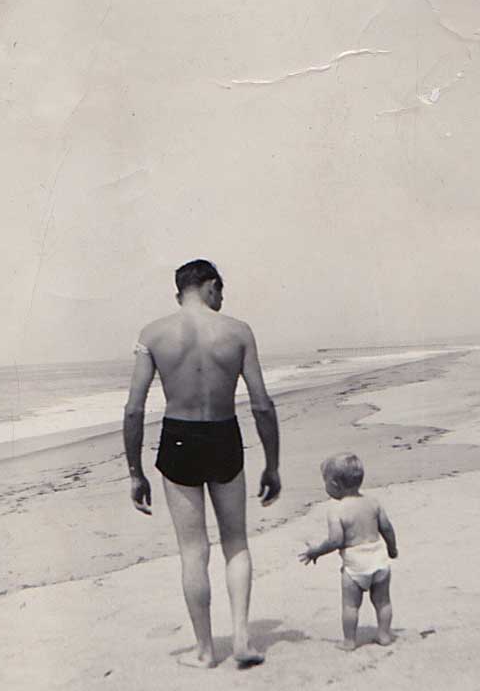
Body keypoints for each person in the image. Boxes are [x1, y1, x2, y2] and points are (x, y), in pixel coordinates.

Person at [123, 259, 281, 668]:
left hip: (178, 439)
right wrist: (272, 464)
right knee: (236, 544)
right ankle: (243, 640)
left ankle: (206, 650)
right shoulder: (239, 332)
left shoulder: (152, 334)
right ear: (210, 286)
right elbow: (262, 404)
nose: (222, 299)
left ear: (180, 293)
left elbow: (134, 411)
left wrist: (135, 472)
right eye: (220, 291)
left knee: (193, 552)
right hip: (224, 435)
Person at [298, 453, 397, 651]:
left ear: (334, 484)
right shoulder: (373, 502)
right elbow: (386, 527)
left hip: (355, 563)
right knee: (383, 601)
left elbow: (336, 540)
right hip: (378, 558)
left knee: (351, 606)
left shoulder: (337, 510)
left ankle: (350, 641)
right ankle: (384, 635)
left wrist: (316, 552)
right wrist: (392, 549)